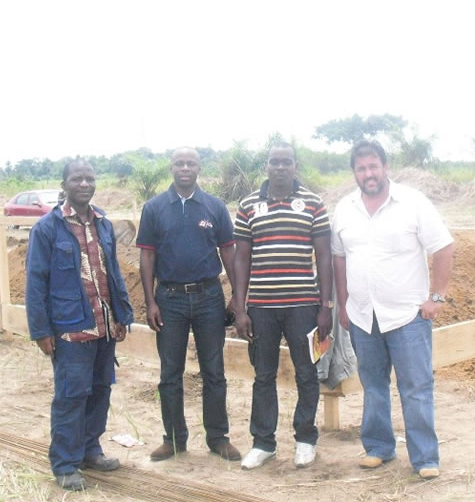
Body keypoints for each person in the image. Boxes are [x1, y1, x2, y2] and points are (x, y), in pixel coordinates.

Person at [330, 140, 454, 480]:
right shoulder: (345, 208)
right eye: (361, 168)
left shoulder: (413, 203)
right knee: (373, 383)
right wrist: (343, 303)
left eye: (373, 166)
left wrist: (437, 297)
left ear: (385, 167)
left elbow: (443, 248)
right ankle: (378, 447)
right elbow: (338, 257)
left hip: (407, 316)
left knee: (415, 386)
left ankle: (425, 458)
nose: (368, 174)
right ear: (354, 172)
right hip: (362, 315)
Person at [26, 159, 135, 491]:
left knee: (100, 391)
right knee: (72, 396)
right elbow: (35, 282)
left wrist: (122, 315)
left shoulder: (103, 223)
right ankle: (64, 463)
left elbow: (112, 272)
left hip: (104, 326)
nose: (84, 184)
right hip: (71, 328)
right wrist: (41, 331)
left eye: (89, 178)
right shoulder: (47, 228)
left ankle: (90, 450)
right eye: (77, 179)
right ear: (65, 184)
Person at [137, 147, 242, 463]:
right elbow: (147, 255)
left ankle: (218, 438)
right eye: (179, 163)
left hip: (209, 297)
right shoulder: (155, 208)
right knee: (170, 373)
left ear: (199, 168)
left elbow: (228, 252)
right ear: (171, 167)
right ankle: (173, 439)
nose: (185, 167)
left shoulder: (215, 207)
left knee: (214, 372)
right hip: (169, 300)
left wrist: (237, 296)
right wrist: (150, 300)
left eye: (191, 163)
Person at [233, 143, 332, 470]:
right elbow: (242, 258)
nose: (279, 167)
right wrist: (240, 307)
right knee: (263, 376)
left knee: (307, 372)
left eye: (286, 162)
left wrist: (326, 306)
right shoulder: (248, 205)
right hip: (261, 307)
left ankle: (305, 439)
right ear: (266, 166)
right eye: (274, 162)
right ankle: (264, 443)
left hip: (305, 305)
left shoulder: (314, 204)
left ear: (295, 166)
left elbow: (324, 256)